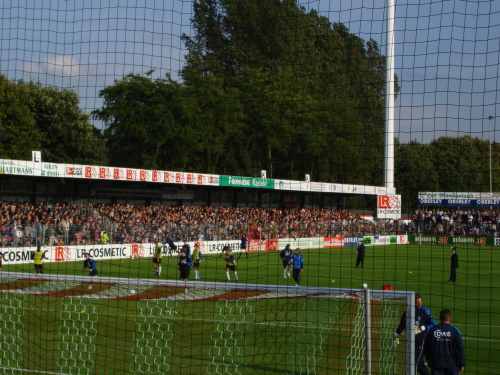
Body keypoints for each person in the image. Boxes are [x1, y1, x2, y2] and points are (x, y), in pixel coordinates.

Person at [393, 293, 436, 375]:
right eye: (417, 302)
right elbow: (402, 325)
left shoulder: (425, 311)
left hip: (422, 340)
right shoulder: (407, 312)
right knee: (419, 364)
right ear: (412, 303)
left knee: (414, 364)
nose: (419, 304)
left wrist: (423, 328)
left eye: (420, 302)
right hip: (410, 342)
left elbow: (434, 325)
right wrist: (396, 335)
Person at [425, 309, 465, 374]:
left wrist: (429, 359)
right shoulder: (455, 331)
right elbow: (460, 348)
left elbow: (426, 347)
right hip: (451, 364)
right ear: (449, 318)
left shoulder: (432, 330)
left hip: (436, 364)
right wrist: (461, 363)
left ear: (440, 318)